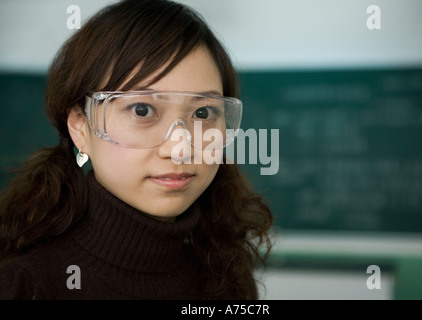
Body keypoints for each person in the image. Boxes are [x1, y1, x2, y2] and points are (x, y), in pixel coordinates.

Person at [0, 0, 272, 299]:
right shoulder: (24, 284)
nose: (180, 149)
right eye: (142, 110)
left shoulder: (223, 276)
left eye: (203, 113)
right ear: (80, 126)